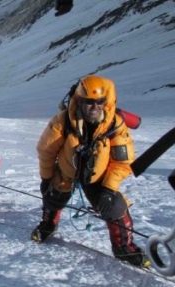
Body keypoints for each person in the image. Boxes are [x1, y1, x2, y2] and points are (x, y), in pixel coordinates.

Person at [32, 75, 149, 267]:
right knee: (52, 198)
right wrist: (46, 179)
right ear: (80, 101)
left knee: (115, 207)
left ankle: (124, 249)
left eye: (99, 101)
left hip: (98, 177)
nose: (94, 107)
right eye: (89, 102)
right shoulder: (63, 121)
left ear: (106, 101)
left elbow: (123, 162)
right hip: (66, 172)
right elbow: (46, 150)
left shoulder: (116, 125)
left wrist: (110, 189)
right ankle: (48, 225)